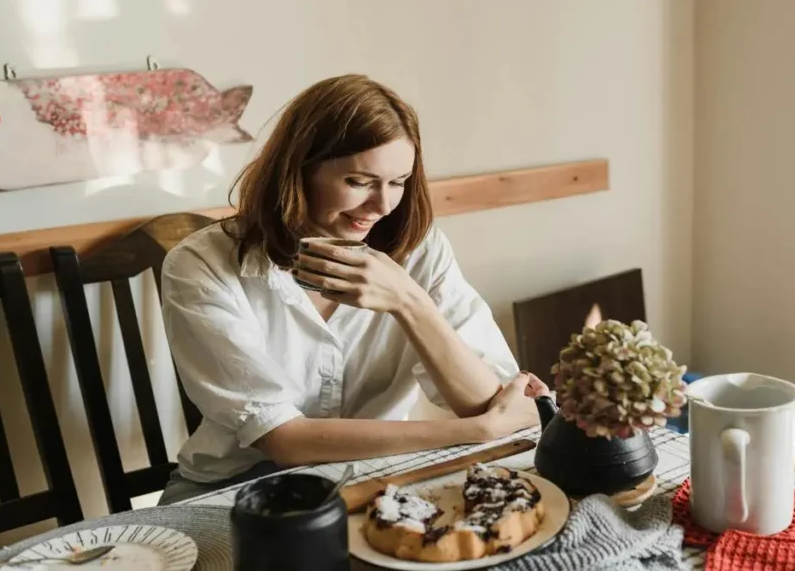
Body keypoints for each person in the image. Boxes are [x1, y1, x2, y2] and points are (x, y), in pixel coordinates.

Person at [156, 74, 550, 505]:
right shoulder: (200, 264)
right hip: (234, 489)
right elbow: (283, 439)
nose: (382, 206)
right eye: (360, 182)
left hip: (374, 479)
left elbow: (489, 402)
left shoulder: (421, 250)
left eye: (398, 182)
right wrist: (473, 434)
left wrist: (408, 301)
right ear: (299, 168)